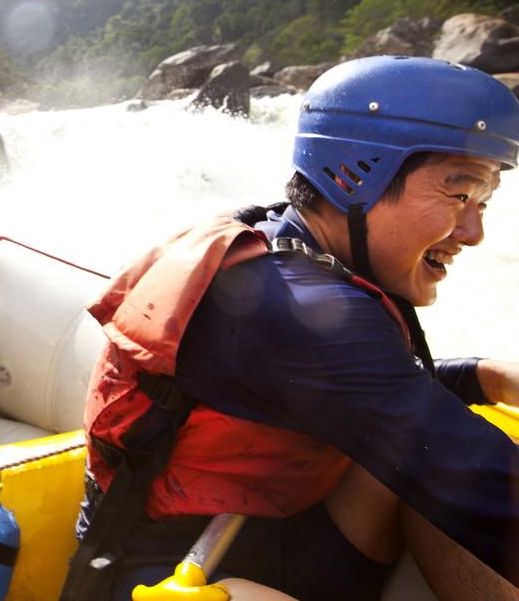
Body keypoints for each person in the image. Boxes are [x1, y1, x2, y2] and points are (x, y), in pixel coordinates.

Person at [66, 56, 519, 601]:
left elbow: (379, 393)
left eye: (484, 201)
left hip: (272, 535)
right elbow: (483, 482)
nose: (474, 233)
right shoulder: (295, 307)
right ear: (358, 174)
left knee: (410, 468)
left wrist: (483, 375)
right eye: (459, 194)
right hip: (169, 577)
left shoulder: (283, 238)